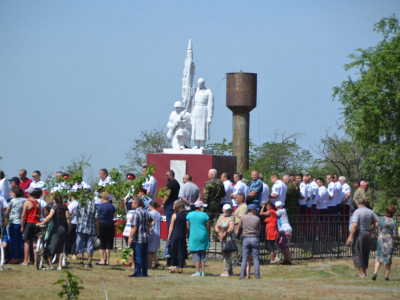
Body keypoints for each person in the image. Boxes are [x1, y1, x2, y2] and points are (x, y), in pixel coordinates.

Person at [346, 198, 379, 278]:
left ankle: (361, 273)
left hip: (359, 233)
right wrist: (373, 230)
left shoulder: (357, 212)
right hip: (367, 233)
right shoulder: (370, 211)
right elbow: (377, 220)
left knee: (357, 252)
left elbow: (354, 225)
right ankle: (364, 271)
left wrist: (350, 237)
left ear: (357, 203)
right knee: (365, 253)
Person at [37, 194, 70, 270]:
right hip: (63, 229)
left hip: (55, 229)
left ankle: (50, 265)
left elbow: (49, 216)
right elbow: (68, 218)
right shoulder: (65, 207)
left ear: (54, 200)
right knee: (61, 248)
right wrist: (68, 228)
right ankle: (59, 265)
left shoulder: (54, 207)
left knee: (50, 247)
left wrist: (41, 223)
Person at [128, 198, 154, 277]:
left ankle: (138, 272)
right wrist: (149, 227)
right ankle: (145, 272)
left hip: (138, 238)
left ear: (136, 204)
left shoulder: (136, 213)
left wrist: (130, 237)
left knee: (137, 256)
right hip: (145, 237)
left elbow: (134, 227)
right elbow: (153, 221)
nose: (131, 204)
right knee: (144, 256)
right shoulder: (146, 212)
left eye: (132, 203)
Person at [372, 206, 398, 281]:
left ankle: (375, 273)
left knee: (379, 257)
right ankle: (386, 276)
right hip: (389, 241)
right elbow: (395, 234)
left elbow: (378, 227)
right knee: (388, 259)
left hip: (380, 240)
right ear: (392, 213)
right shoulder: (393, 222)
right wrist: (396, 236)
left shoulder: (381, 219)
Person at [236, 204, 261, 279]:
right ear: (253, 210)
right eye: (255, 210)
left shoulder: (243, 217)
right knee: (256, 258)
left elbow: (239, 226)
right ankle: (257, 275)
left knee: (244, 258)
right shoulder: (257, 218)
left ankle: (242, 275)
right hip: (254, 238)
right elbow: (259, 229)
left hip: (246, 238)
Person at [186, 200, 210, 276]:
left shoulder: (190, 214)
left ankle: (197, 271)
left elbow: (187, 225)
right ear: (200, 207)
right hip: (203, 234)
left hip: (193, 235)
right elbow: (208, 225)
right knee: (203, 253)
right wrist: (207, 232)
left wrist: (191, 230)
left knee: (195, 253)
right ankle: (203, 271)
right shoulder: (205, 215)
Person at [76, 196, 99, 268]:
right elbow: (96, 218)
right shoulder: (94, 204)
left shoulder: (80, 203)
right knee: (90, 245)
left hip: (81, 227)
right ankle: (89, 262)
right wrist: (97, 229)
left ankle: (81, 260)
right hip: (91, 227)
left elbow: (77, 215)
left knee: (80, 244)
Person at [20, 187, 42, 266]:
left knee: (26, 242)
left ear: (29, 193)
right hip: (36, 224)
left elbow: (23, 215)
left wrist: (22, 226)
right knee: (35, 242)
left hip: (29, 223)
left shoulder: (27, 203)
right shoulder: (37, 203)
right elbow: (39, 215)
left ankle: (25, 261)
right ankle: (36, 261)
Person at [191, 78, 214, 149]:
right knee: (195, 127)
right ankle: (196, 144)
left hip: (204, 111)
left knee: (202, 128)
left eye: (201, 84)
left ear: (203, 84)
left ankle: (202, 145)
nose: (199, 85)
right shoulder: (195, 91)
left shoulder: (208, 92)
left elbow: (210, 105)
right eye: (198, 84)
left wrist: (209, 117)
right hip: (195, 110)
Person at [6, 187, 26, 264]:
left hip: (13, 221)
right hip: (22, 222)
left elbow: (8, 209)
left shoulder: (12, 201)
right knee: (21, 241)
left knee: (13, 241)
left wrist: (6, 217)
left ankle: (14, 258)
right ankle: (21, 257)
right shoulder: (25, 200)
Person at [167, 201, 188, 273]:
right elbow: (187, 227)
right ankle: (180, 267)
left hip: (175, 234)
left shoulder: (174, 215)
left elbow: (171, 226)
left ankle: (172, 267)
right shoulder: (186, 215)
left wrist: (169, 236)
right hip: (182, 235)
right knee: (181, 251)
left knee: (173, 250)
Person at [215, 204, 235, 277]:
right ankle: (230, 270)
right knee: (225, 254)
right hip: (221, 237)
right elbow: (216, 226)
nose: (228, 211)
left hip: (228, 238)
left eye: (229, 210)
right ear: (223, 210)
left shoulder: (231, 217)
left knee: (227, 254)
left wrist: (224, 233)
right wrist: (219, 233)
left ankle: (226, 271)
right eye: (226, 210)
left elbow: (231, 228)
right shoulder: (220, 216)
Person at [97, 192, 116, 265]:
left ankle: (102, 260)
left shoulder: (100, 206)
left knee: (101, 242)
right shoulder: (112, 206)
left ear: (102, 198)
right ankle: (107, 260)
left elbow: (97, 217)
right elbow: (114, 216)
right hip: (110, 224)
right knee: (108, 243)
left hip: (102, 224)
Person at [148, 201, 161, 269]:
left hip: (152, 232)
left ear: (151, 206)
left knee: (149, 251)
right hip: (158, 232)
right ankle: (156, 261)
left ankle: (149, 266)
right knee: (153, 249)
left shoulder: (150, 213)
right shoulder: (158, 213)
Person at [66, 194, 79, 260]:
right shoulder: (80, 203)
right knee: (75, 239)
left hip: (71, 222)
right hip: (77, 223)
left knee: (68, 238)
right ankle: (74, 253)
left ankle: (66, 253)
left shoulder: (72, 204)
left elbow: (69, 212)